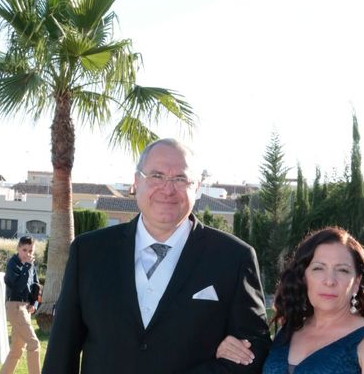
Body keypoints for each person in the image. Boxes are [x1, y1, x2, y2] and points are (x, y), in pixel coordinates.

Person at [42, 138, 271, 373]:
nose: (168, 189)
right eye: (157, 176)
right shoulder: (89, 251)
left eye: (180, 179)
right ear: (136, 181)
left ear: (197, 187)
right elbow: (62, 350)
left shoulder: (233, 257)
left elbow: (255, 348)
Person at [217, 227, 364, 374]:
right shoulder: (288, 330)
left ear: (357, 282)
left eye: (342, 270)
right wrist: (227, 349)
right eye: (319, 268)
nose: (329, 281)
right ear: (303, 277)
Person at [1, 235, 42, 374]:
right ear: (18, 248)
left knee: (16, 350)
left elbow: (36, 285)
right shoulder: (12, 264)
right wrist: (26, 266)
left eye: (31, 251)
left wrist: (34, 303)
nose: (28, 254)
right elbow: (17, 287)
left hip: (24, 308)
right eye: (25, 250)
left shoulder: (30, 265)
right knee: (34, 344)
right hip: (15, 307)